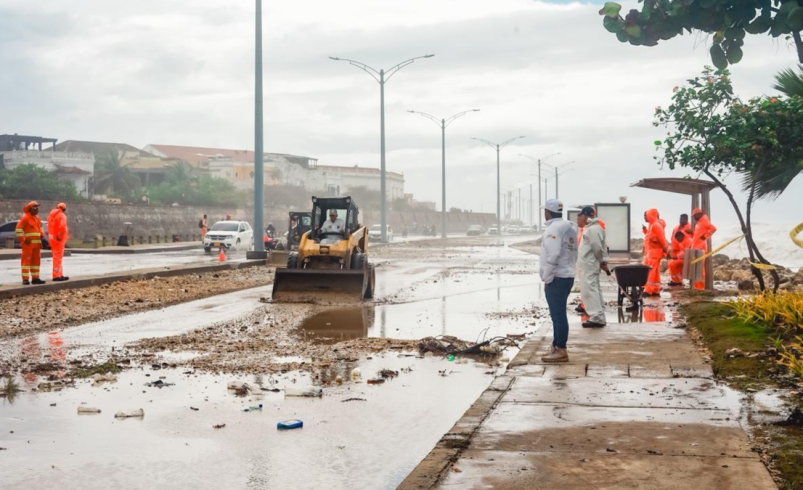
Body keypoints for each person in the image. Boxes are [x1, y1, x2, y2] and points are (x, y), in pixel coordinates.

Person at [539, 199, 578, 363]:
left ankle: (561, 349)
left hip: (557, 277)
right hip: (567, 275)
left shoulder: (553, 229)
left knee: (558, 315)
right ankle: (556, 345)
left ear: (547, 212)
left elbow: (553, 254)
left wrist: (546, 276)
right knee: (559, 313)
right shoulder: (569, 227)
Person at [577, 206, 609, 328]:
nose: (578, 219)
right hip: (589, 264)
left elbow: (597, 247)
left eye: (579, 216)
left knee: (590, 291)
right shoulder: (593, 228)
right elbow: (601, 247)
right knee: (594, 289)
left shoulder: (593, 229)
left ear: (585, 215)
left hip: (589, 265)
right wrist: (603, 261)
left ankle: (597, 316)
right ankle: (599, 314)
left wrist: (602, 260)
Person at [16, 201, 46, 285]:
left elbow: (40, 227)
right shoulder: (25, 218)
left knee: (36, 262)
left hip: (36, 244)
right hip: (28, 245)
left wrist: (42, 235)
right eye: (34, 208)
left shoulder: (37, 218)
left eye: (37, 208)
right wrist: (24, 239)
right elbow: (18, 229)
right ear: (30, 209)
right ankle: (25, 279)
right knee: (26, 261)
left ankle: (35, 278)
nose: (36, 209)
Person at [644, 208, 668, 296]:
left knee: (651, 271)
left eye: (647, 215)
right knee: (655, 271)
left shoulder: (656, 226)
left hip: (655, 252)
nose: (646, 217)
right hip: (653, 252)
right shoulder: (653, 225)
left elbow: (662, 239)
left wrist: (666, 249)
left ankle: (648, 290)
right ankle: (655, 289)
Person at [691, 207, 717, 290]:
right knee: (696, 268)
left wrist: (705, 236)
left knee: (700, 268)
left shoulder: (704, 220)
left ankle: (700, 287)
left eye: (694, 215)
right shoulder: (698, 223)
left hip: (701, 247)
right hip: (695, 247)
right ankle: (696, 286)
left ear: (699, 214)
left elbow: (713, 228)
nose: (694, 217)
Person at [47, 203, 70, 282]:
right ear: (64, 209)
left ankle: (59, 274)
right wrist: (60, 237)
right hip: (58, 240)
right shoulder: (62, 216)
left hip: (52, 239)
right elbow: (62, 226)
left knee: (56, 257)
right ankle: (56, 275)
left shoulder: (51, 216)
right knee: (58, 257)